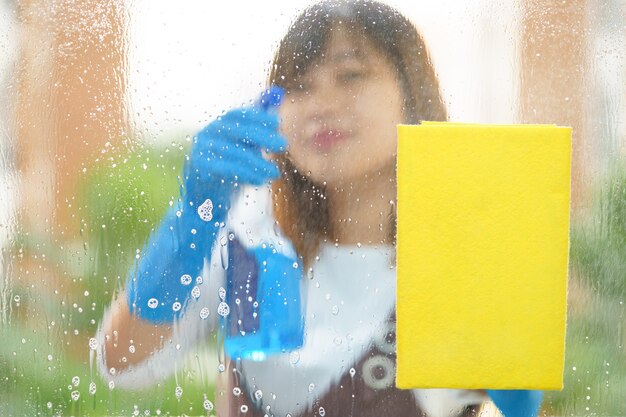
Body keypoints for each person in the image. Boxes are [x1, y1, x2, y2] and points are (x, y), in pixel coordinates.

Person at [97, 1, 544, 416]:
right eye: (299, 86)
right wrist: (189, 222)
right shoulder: (251, 235)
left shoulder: (460, 251)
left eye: (350, 76)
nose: (320, 106)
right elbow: (123, 362)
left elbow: (517, 404)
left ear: (413, 95)